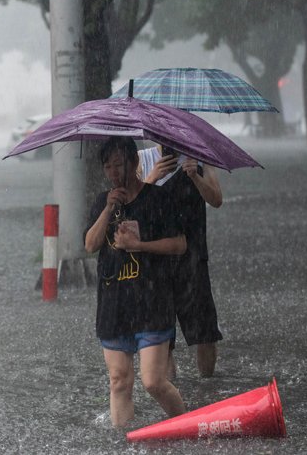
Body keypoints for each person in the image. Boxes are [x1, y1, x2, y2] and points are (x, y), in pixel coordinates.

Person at [84, 136, 187, 428]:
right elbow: (90, 245)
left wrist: (139, 246)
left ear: (135, 161)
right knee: (119, 381)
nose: (115, 173)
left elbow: (179, 244)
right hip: (114, 306)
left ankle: (189, 427)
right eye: (108, 167)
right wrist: (107, 209)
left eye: (119, 165)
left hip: (152, 303)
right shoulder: (101, 203)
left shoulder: (158, 199)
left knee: (153, 381)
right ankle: (123, 443)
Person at [139, 144, 223, 378]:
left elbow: (216, 199)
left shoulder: (201, 156)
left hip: (194, 260)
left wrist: (195, 176)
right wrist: (152, 177)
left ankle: (207, 390)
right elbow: (132, 210)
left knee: (205, 333)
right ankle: (174, 400)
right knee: (162, 340)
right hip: (155, 263)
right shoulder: (143, 159)